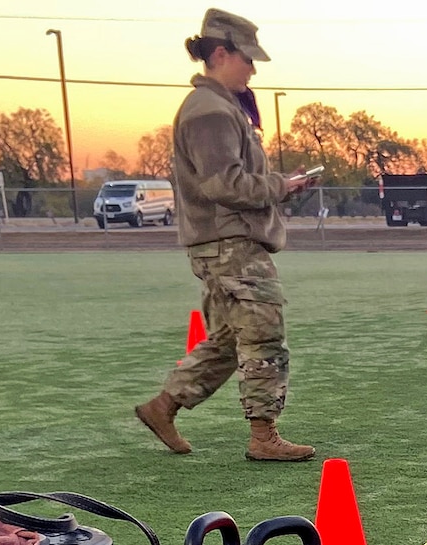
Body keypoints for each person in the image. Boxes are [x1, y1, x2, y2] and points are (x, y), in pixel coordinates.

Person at [134, 7, 319, 463]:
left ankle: (163, 407)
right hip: (229, 243)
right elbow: (223, 185)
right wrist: (280, 186)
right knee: (263, 335)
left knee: (229, 339)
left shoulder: (220, 107)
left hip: (226, 239)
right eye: (248, 59)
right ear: (220, 53)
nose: (253, 68)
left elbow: (232, 179)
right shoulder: (210, 111)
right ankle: (263, 436)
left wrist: (280, 187)